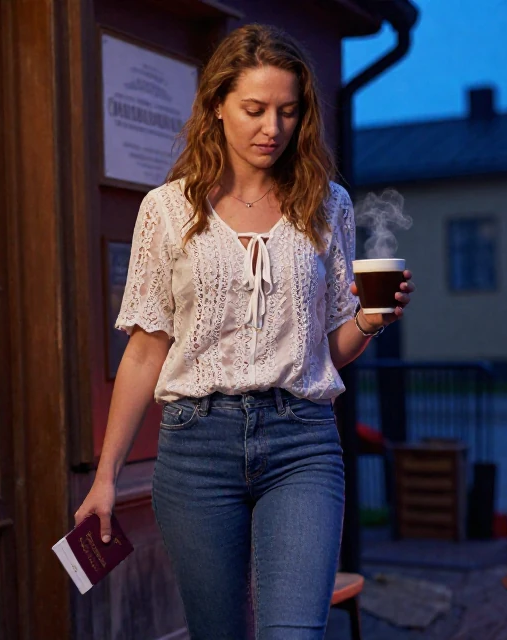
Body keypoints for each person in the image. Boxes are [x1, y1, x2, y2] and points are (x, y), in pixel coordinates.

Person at [75, 24, 414, 639]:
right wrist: (105, 478)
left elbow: (325, 353)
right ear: (217, 107)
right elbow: (146, 352)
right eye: (254, 109)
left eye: (287, 111)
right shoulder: (167, 210)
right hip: (195, 448)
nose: (272, 128)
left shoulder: (327, 204)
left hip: (302, 443)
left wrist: (368, 320)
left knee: (294, 633)